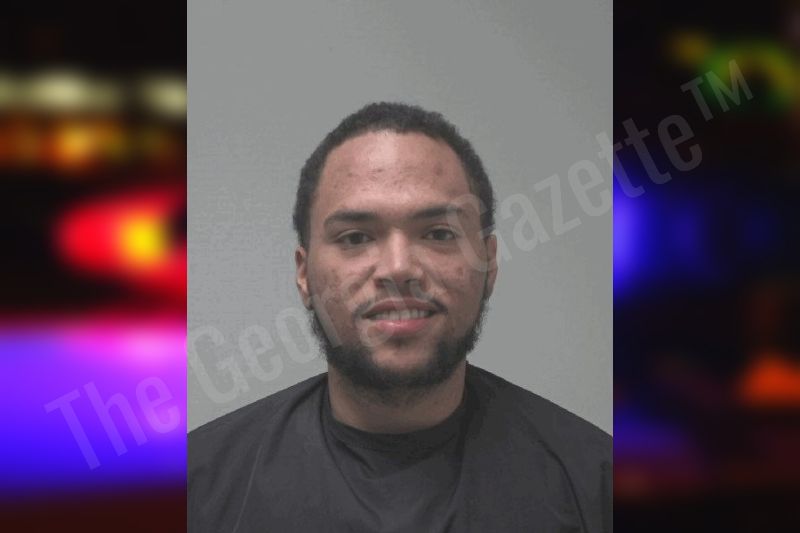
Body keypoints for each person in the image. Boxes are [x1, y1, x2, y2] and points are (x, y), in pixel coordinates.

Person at [188, 102, 612, 532]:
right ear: (304, 274)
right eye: (355, 237)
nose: (398, 268)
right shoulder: (196, 490)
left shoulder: (596, 487)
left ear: (489, 263)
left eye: (438, 233)